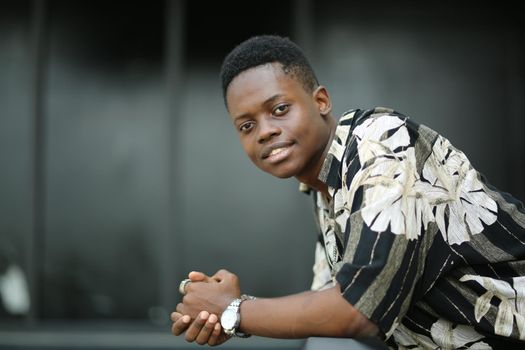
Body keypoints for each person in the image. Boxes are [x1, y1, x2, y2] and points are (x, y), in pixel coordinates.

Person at [170, 35, 525, 349]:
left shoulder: (380, 144)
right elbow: (327, 308)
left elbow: (358, 311)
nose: (264, 131)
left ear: (321, 101)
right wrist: (227, 307)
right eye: (247, 125)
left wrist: (234, 311)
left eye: (279, 109)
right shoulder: (323, 188)